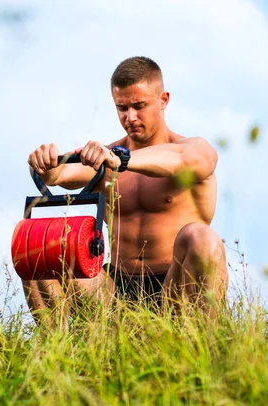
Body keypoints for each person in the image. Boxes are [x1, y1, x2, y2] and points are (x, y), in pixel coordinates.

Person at [24, 56, 228, 318]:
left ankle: (200, 347)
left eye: (139, 106)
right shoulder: (105, 159)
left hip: (176, 287)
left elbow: (183, 160)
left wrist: (122, 159)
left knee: (202, 237)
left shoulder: (191, 148)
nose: (130, 117)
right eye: (122, 108)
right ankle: (60, 353)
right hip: (114, 292)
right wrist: (44, 163)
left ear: (163, 100)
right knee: (38, 246)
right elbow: (59, 173)